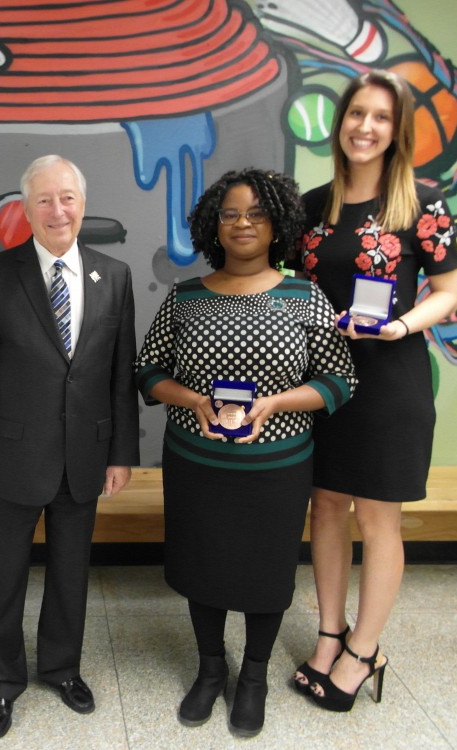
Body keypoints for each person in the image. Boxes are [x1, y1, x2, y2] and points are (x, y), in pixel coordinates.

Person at [135, 168, 357, 736]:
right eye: (231, 213)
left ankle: (252, 675)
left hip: (276, 469)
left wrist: (278, 403)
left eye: (256, 213)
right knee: (201, 563)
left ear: (276, 224)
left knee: (265, 571)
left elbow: (339, 378)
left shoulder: (304, 296)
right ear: (214, 224)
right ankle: (211, 670)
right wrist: (194, 400)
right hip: (196, 463)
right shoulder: (185, 296)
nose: (242, 224)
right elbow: (148, 371)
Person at [289, 70, 457, 712]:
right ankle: (330, 634)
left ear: (398, 132)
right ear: (340, 124)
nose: (365, 127)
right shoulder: (311, 206)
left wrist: (399, 325)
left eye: (381, 118)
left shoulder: (424, 207)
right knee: (326, 507)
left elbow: (449, 291)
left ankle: (365, 650)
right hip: (321, 382)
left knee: (378, 514)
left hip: (391, 381)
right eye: (356, 113)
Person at [0, 154, 139, 739]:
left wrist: (122, 453)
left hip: (85, 454)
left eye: (67, 198)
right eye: (44, 200)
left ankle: (61, 668)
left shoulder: (115, 275)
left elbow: (118, 375)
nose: (57, 210)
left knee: (69, 572)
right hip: (8, 458)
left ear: (82, 205)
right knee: (2, 575)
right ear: (25, 208)